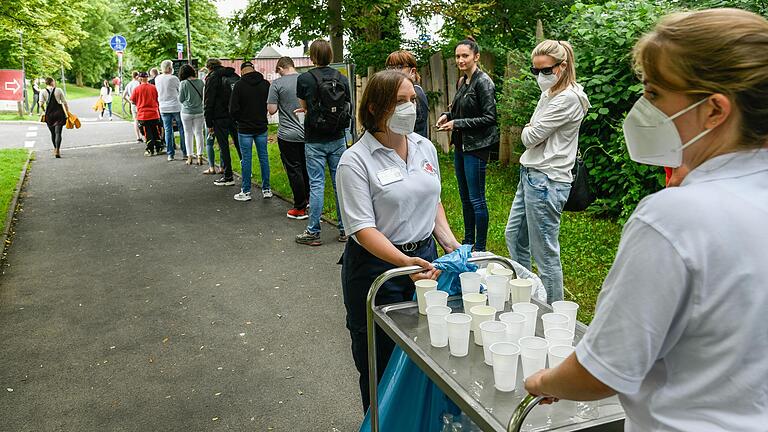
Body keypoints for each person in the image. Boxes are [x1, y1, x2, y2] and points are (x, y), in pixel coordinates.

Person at [525, 9, 768, 431]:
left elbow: (603, 369)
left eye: (654, 93)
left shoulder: (674, 219)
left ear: (714, 110)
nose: (642, 108)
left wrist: (545, 378)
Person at [337, 70, 461, 410]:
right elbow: (363, 230)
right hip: (377, 272)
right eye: (400, 102)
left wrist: (450, 243)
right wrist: (405, 264)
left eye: (412, 100)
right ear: (376, 108)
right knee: (380, 364)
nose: (411, 108)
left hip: (425, 263)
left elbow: (431, 201)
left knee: (426, 358)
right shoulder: (355, 161)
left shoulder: (424, 147)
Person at [503, 40, 589, 303]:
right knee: (515, 237)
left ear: (563, 67)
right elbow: (533, 134)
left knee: (545, 254)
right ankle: (527, 297)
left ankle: (552, 314)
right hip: (531, 174)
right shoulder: (550, 93)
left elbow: (529, 136)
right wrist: (532, 129)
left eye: (545, 70)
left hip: (547, 181)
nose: (540, 77)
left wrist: (530, 128)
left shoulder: (568, 99)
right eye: (535, 71)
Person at [436, 38, 497, 252]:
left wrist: (457, 123)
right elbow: (460, 110)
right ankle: (468, 243)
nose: (460, 60)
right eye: (458, 56)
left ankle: (480, 248)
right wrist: (447, 116)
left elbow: (490, 117)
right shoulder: (462, 82)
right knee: (465, 198)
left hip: (477, 147)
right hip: (461, 146)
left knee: (477, 199)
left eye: (465, 56)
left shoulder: (484, 82)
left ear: (476, 57)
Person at [294, 39, 351, 245]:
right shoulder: (341, 78)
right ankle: (345, 230)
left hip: (314, 139)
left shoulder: (305, 79)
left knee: (317, 184)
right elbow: (347, 105)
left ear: (312, 57)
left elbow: (304, 105)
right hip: (337, 137)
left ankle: (313, 232)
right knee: (340, 185)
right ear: (331, 56)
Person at [268, 56, 310, 218]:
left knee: (294, 170)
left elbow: (271, 110)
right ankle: (310, 200)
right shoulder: (305, 79)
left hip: (288, 134)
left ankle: (299, 208)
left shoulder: (277, 84)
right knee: (307, 168)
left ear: (280, 68)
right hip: (307, 133)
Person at [229, 61, 271, 201]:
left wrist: (239, 120)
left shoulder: (239, 85)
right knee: (263, 158)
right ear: (253, 69)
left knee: (246, 159)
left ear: (242, 72)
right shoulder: (265, 84)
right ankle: (267, 189)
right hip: (261, 126)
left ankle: (246, 191)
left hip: (245, 128)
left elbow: (233, 109)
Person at [204, 58, 241, 186]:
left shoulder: (212, 78)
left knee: (224, 146)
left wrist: (209, 122)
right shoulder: (233, 75)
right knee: (239, 144)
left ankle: (228, 176)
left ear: (209, 67)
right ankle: (247, 171)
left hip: (219, 117)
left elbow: (209, 101)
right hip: (235, 115)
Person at [385, 50, 429, 139]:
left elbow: (412, 129)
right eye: (390, 67)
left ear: (412, 71)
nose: (394, 71)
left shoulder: (415, 94)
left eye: (400, 67)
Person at [156, 60, 186, 161]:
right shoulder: (174, 78)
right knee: (181, 128)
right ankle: (185, 152)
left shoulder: (157, 79)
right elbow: (180, 91)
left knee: (168, 130)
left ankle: (170, 154)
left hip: (163, 107)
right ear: (169, 68)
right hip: (175, 106)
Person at [178, 64, 205, 166]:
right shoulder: (200, 82)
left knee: (188, 133)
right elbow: (203, 97)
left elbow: (181, 99)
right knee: (199, 133)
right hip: (199, 111)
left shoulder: (183, 83)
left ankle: (189, 157)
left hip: (186, 112)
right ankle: (200, 156)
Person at [131, 72, 164, 156]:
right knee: (156, 132)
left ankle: (150, 149)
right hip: (154, 113)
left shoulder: (137, 89)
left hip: (143, 115)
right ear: (147, 78)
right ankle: (159, 148)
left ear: (140, 79)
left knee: (147, 133)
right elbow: (158, 99)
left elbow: (132, 100)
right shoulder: (154, 88)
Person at [38, 77, 70, 158]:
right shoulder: (58, 90)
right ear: (52, 82)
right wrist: (67, 112)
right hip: (59, 113)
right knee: (58, 133)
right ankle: (58, 150)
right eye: (54, 81)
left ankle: (55, 149)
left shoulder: (43, 91)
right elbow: (64, 102)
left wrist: (44, 110)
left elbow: (40, 103)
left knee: (52, 133)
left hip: (49, 114)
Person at [123, 71, 144, 143]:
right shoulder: (138, 84)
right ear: (136, 76)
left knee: (135, 121)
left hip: (133, 105)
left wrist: (129, 102)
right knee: (143, 120)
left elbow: (124, 96)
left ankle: (138, 137)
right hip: (140, 104)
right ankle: (146, 136)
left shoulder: (128, 84)